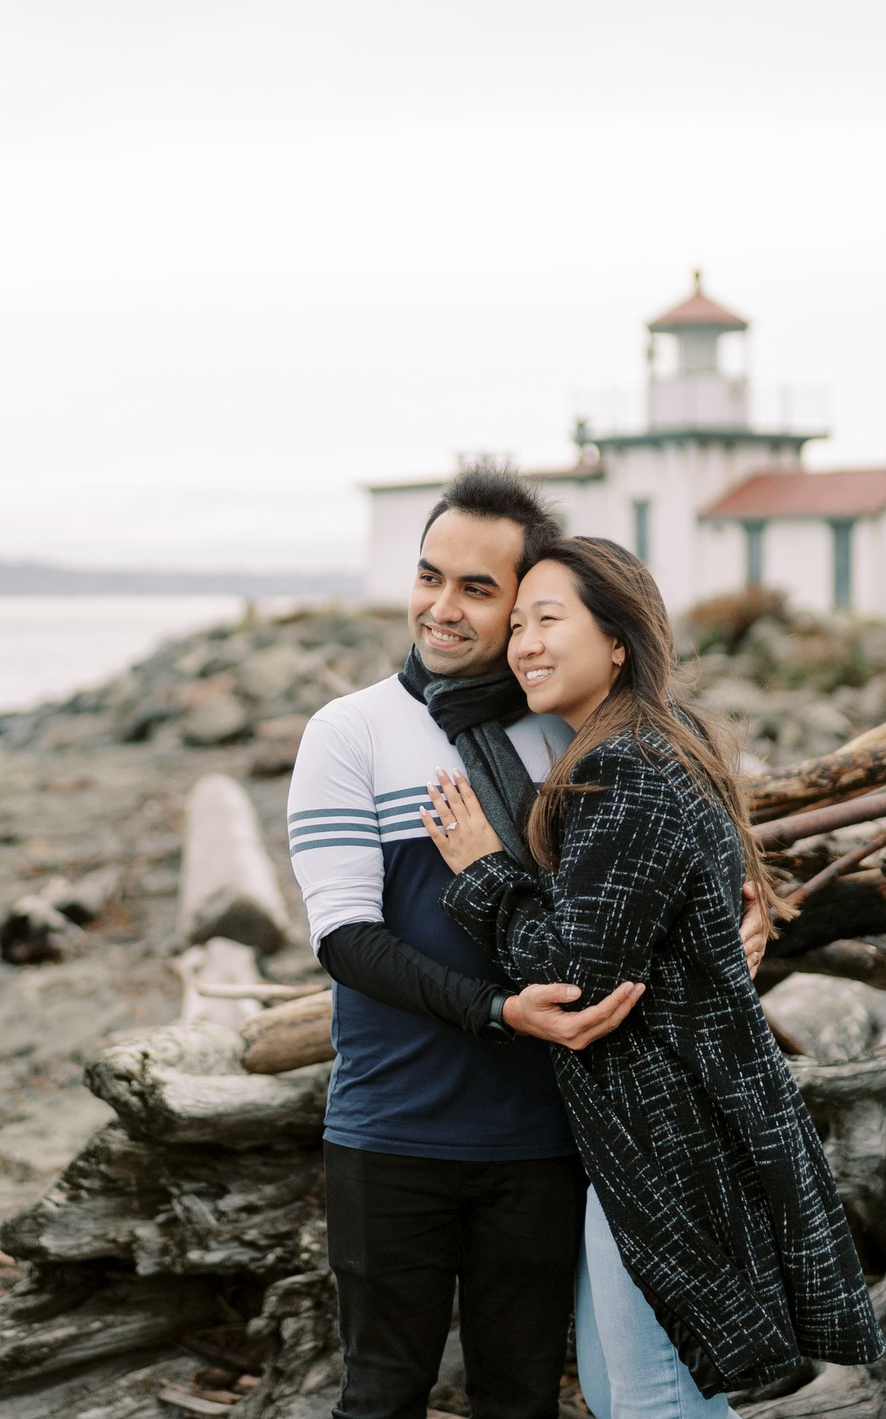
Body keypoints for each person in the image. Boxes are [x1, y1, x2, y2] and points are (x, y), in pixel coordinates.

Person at [285, 468, 770, 1419]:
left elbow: (639, 894)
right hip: (395, 1128)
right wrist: (497, 1012)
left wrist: (732, 931)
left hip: (549, 1135)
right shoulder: (350, 733)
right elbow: (345, 939)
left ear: (522, 607)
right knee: (381, 1393)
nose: (443, 608)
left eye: (478, 589)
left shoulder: (566, 731)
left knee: (522, 1398)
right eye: (430, 577)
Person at [423, 535, 886, 1416]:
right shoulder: (651, 746)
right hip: (669, 1126)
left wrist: (481, 868)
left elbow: (577, 976)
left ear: (619, 640)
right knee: (630, 1389)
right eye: (515, 624)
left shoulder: (624, 767)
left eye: (547, 620)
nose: (522, 643)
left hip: (669, 1134)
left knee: (654, 1398)